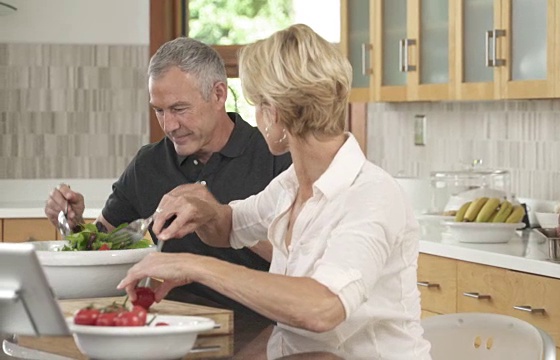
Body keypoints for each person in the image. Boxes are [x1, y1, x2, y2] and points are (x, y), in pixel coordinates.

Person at [118, 24, 431, 359]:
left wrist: (195, 266)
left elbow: (323, 307)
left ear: (276, 112)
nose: (256, 116)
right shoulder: (291, 185)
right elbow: (231, 226)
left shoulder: (370, 195)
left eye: (258, 104)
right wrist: (205, 211)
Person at [44, 37, 292, 316]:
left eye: (179, 109)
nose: (169, 125)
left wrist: (219, 217)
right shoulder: (148, 164)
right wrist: (72, 225)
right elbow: (101, 245)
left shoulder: (277, 156)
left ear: (219, 95)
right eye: (159, 110)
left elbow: (301, 262)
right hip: (174, 322)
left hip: (264, 326)